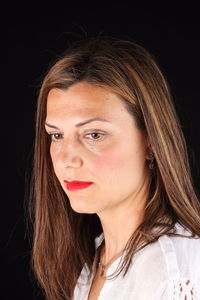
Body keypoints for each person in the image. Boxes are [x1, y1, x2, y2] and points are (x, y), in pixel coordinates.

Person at [30, 35, 200, 300]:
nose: (66, 159)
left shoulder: (173, 271)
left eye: (94, 134)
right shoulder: (94, 259)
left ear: (151, 142)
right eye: (56, 135)